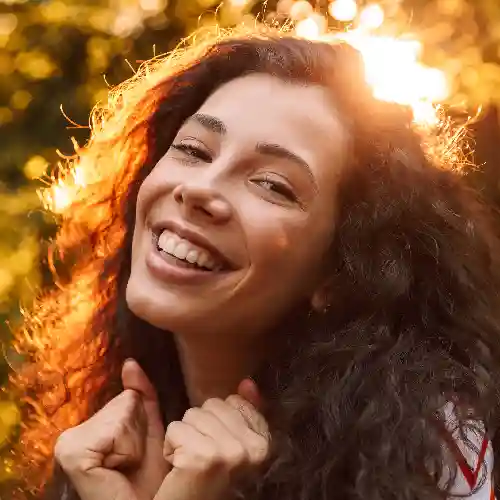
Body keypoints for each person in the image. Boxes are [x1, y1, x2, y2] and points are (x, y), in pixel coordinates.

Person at [8, 28, 500, 500]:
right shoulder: (105, 448)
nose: (199, 189)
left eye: (272, 185)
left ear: (339, 271)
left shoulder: (430, 453)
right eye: (193, 150)